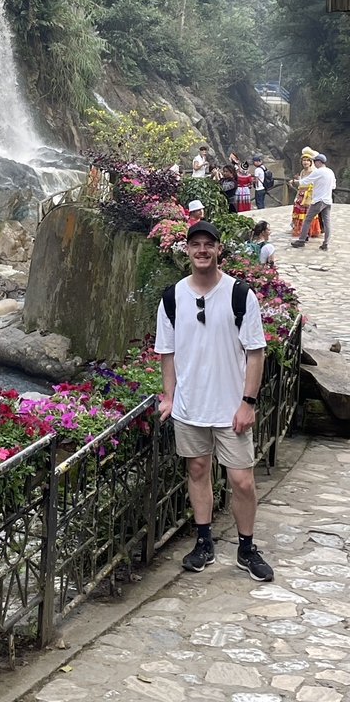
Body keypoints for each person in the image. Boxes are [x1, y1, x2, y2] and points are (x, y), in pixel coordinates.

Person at [155, 221, 273, 581]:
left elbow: (256, 353)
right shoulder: (173, 297)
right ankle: (204, 541)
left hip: (230, 406)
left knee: (242, 481)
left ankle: (246, 548)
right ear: (187, 250)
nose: (202, 250)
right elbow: (167, 352)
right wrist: (169, 397)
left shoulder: (240, 294)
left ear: (219, 249)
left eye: (209, 244)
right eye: (196, 244)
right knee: (197, 470)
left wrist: (247, 402)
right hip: (190, 406)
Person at [291, 154, 336, 250]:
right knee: (327, 222)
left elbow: (305, 181)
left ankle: (301, 240)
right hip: (328, 200)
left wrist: (295, 181)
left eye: (315, 161)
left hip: (318, 200)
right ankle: (325, 243)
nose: (314, 163)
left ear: (319, 162)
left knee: (307, 219)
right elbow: (333, 186)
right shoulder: (330, 171)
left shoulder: (318, 172)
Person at [290, 150, 322, 239]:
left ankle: (310, 230)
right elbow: (301, 183)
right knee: (298, 212)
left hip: (309, 194)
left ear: (311, 162)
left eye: (308, 160)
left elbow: (312, 184)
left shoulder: (313, 172)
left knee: (308, 213)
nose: (305, 162)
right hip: (301, 193)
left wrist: (309, 197)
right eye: (304, 160)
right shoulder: (302, 172)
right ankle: (300, 229)